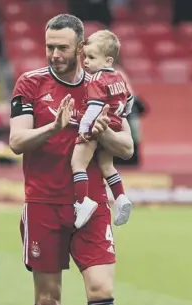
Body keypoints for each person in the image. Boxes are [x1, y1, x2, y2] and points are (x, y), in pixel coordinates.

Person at [9, 14, 134, 305]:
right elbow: (16, 141)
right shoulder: (30, 83)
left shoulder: (101, 81)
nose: (55, 54)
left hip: (91, 205)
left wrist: (101, 131)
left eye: (63, 47)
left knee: (102, 290)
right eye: (50, 47)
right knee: (49, 299)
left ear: (81, 47)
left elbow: (127, 147)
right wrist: (54, 127)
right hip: (44, 204)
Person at [72, 30, 133, 229]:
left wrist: (84, 128)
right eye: (84, 57)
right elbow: (130, 99)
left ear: (107, 60)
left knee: (78, 163)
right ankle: (121, 198)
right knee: (107, 166)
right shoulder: (119, 77)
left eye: (91, 57)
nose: (85, 62)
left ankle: (83, 202)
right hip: (114, 123)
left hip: (97, 125)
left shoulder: (97, 79)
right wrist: (124, 113)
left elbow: (94, 107)